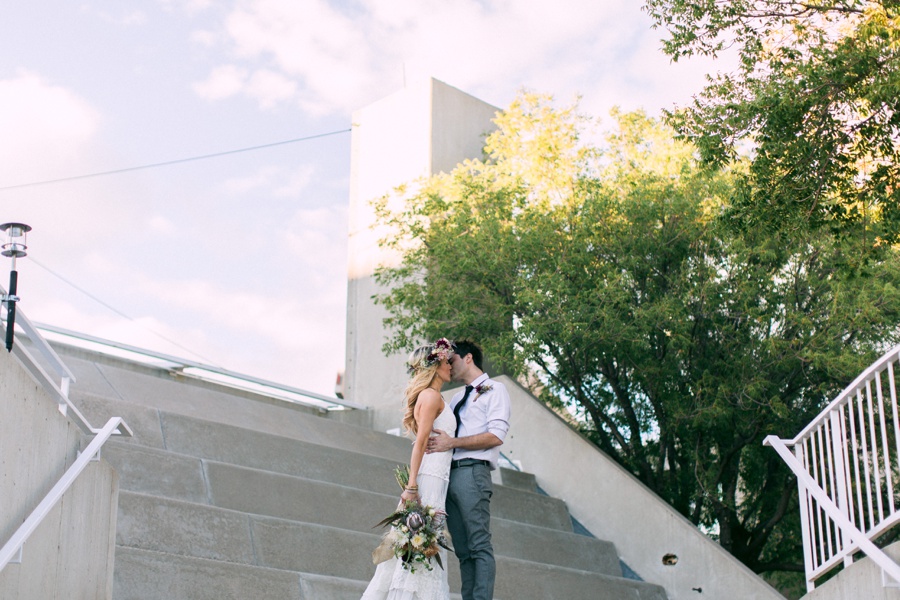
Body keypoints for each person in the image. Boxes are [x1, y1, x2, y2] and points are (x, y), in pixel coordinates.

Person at [361, 337, 456, 600]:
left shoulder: (433, 396)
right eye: (447, 361)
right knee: (422, 546)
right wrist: (412, 487)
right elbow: (421, 443)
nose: (450, 366)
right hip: (428, 479)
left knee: (424, 546)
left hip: (437, 477)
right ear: (435, 366)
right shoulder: (430, 396)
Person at [426, 340, 511, 600]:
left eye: (451, 360)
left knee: (479, 544)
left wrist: (453, 443)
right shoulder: (455, 397)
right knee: (462, 550)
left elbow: (496, 435)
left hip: (473, 471)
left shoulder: (496, 389)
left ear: (468, 358)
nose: (448, 366)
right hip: (448, 474)